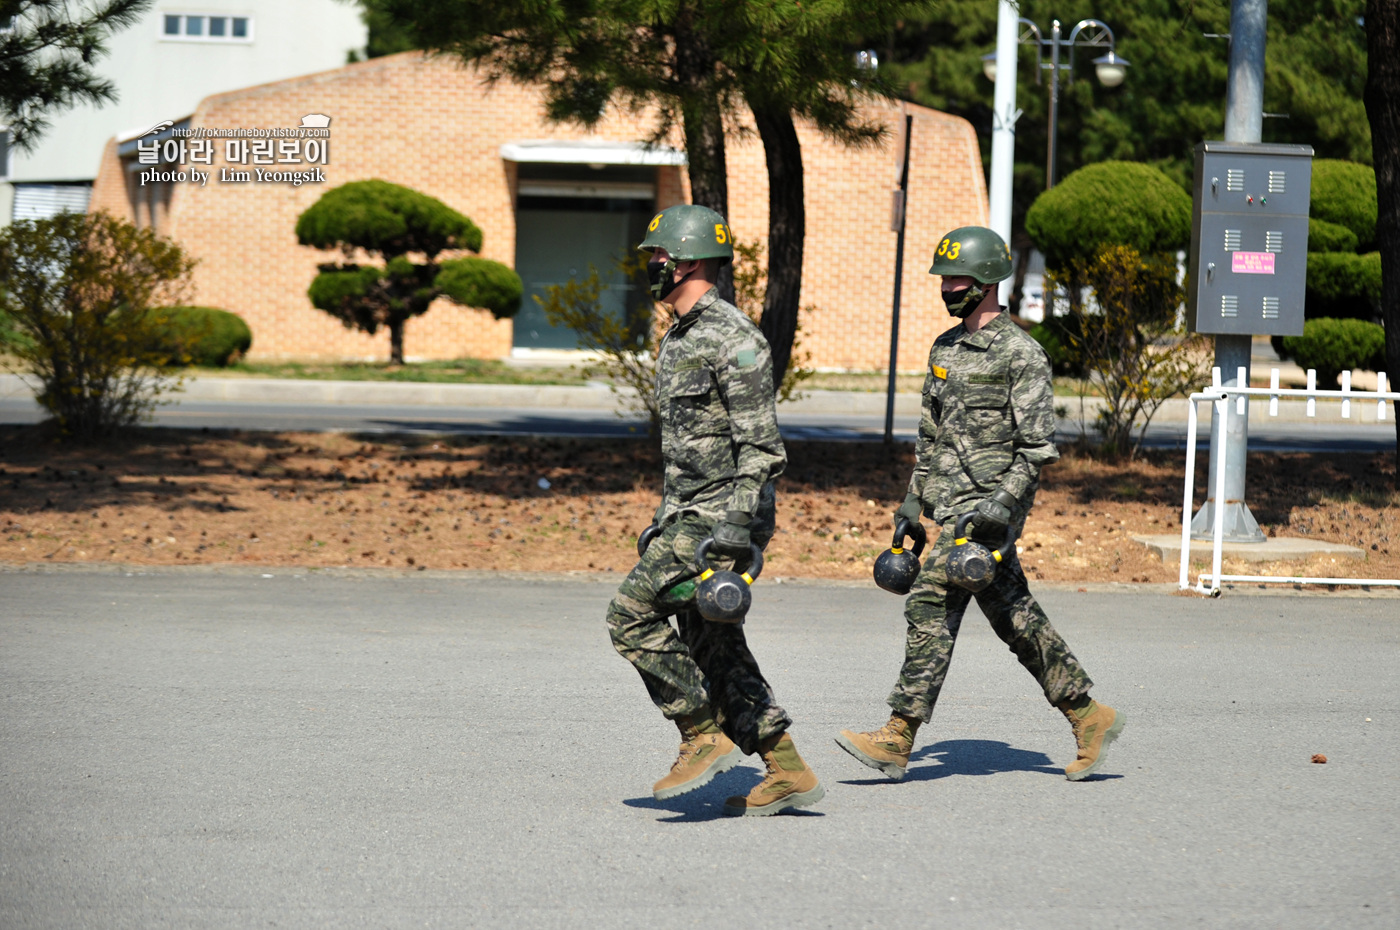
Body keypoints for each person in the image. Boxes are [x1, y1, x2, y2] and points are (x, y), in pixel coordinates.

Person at [836, 225, 1125, 782]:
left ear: (989, 279)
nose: (947, 287)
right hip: (949, 506)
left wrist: (1002, 508)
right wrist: (913, 499)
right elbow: (932, 434)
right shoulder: (943, 348)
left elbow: (1037, 449)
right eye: (944, 278)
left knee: (928, 603)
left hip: (990, 510)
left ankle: (897, 736)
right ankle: (1089, 716)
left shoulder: (1022, 355)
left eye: (958, 278)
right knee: (1014, 616)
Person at [605, 203, 823, 816]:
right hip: (688, 513)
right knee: (714, 648)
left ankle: (702, 733)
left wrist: (732, 529)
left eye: (657, 255)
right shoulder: (679, 335)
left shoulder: (734, 337)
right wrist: (664, 517)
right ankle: (786, 769)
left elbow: (761, 448)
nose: (650, 263)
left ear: (688, 259)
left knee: (629, 616)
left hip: (723, 516)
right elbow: (689, 446)